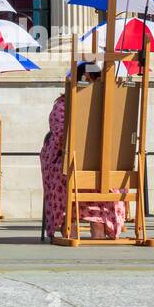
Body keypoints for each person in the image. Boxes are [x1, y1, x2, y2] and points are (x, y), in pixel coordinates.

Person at [41, 62, 127, 241]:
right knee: (68, 174)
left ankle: (98, 224)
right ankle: (71, 224)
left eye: (92, 81)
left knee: (106, 179)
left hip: (100, 164)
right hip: (67, 161)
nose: (87, 85)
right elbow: (60, 141)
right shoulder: (62, 106)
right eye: (84, 81)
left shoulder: (109, 105)